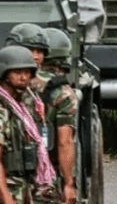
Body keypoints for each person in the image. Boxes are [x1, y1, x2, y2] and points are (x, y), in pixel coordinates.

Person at [0, 45, 55, 204]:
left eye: (27, 72)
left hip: (23, 186)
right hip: (9, 187)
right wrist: (5, 196)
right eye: (17, 72)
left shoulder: (21, 105)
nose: (24, 77)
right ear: (4, 74)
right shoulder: (3, 109)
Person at [34, 28, 79, 204]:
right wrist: (69, 184)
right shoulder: (63, 93)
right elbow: (64, 141)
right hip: (46, 173)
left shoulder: (14, 82)